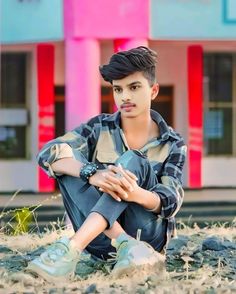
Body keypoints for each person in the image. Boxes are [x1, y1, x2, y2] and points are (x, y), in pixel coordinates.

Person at [26, 46, 187, 282]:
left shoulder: (172, 142)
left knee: (133, 160)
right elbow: (47, 152)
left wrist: (135, 193)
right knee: (68, 161)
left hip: (147, 237)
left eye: (134, 87)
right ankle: (124, 244)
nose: (125, 97)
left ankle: (70, 249)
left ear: (153, 91)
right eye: (118, 89)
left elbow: (171, 200)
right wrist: (90, 173)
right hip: (101, 243)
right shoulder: (97, 127)